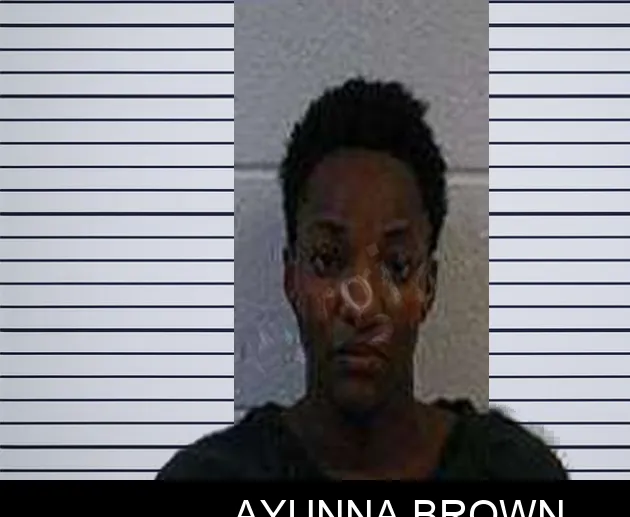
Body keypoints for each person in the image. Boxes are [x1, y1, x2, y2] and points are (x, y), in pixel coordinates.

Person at [156, 78, 568, 480]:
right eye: (327, 260)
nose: (362, 304)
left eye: (397, 265)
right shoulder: (210, 475)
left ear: (428, 286)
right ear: (291, 277)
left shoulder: (515, 472)